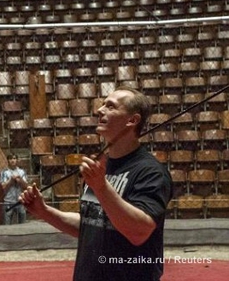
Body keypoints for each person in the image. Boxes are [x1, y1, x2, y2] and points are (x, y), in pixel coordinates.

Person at [19, 86, 172, 280]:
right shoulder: (100, 168)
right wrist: (44, 211)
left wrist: (101, 187)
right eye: (102, 105)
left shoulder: (150, 172)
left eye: (110, 106)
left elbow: (139, 232)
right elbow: (91, 225)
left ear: (132, 120)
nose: (99, 110)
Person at [0, 153, 28, 224]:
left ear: (17, 160)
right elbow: (3, 186)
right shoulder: (4, 172)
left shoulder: (21, 172)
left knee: (23, 224)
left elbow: (26, 186)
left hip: (20, 201)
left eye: (14, 158)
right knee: (7, 223)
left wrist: (20, 180)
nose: (12, 160)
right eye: (10, 159)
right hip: (8, 201)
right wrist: (11, 180)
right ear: (8, 160)